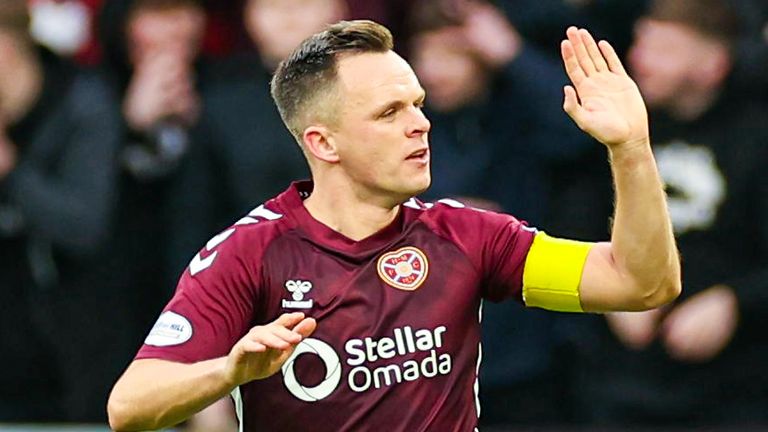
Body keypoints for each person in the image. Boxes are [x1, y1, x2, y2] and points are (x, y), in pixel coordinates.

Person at [107, 20, 680, 431]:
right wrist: (228, 370)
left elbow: (640, 283)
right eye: (390, 112)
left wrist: (631, 148)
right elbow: (130, 407)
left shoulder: (468, 235)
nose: (421, 124)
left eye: (418, 103)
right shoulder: (248, 253)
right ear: (322, 142)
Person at [576, 0, 768, 426]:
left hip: (736, 385)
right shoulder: (616, 127)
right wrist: (610, 291)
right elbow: (577, 222)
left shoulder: (755, 136)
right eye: (641, 42)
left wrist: (735, 303)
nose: (639, 60)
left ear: (712, 65)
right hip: (625, 382)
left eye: (664, 49)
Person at [0, 0, 122, 422]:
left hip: (68, 360)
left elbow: (84, 227)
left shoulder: (81, 103)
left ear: (8, 47)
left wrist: (12, 172)